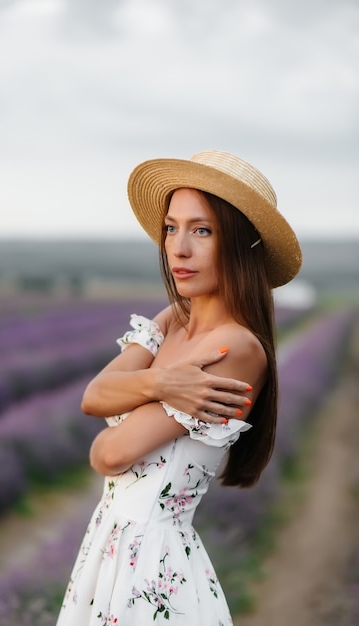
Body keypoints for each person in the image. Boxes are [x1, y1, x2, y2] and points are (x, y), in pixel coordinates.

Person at [55, 150, 302, 625]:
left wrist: (134, 388)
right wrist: (164, 382)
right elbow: (93, 396)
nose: (179, 248)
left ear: (242, 245)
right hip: (108, 549)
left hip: (152, 567)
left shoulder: (235, 348)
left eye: (202, 230)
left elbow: (108, 453)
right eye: (172, 227)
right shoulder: (172, 321)